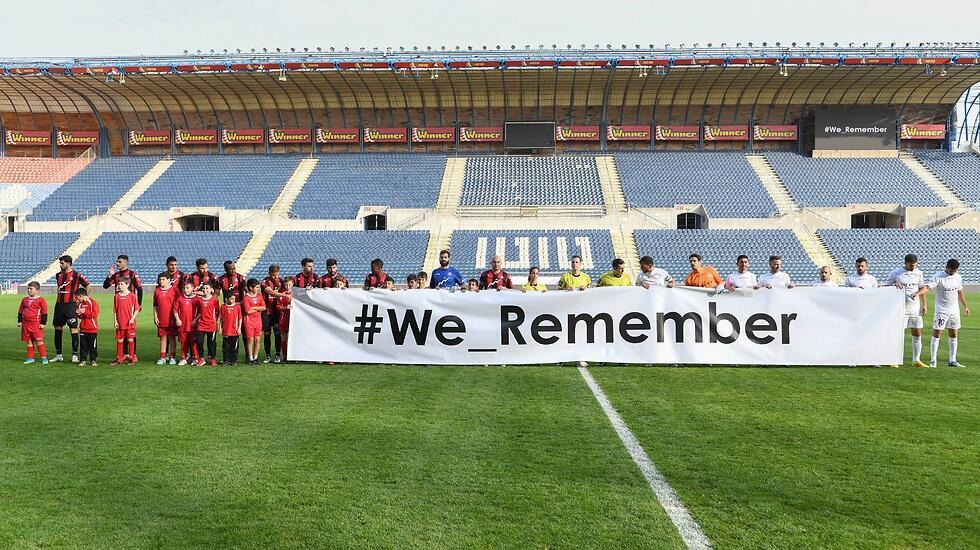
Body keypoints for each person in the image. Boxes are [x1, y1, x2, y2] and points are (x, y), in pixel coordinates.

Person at [926, 258, 972, 368]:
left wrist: (965, 306)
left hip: (954, 311)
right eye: (951, 270)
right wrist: (918, 293)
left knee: (954, 333)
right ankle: (933, 361)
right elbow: (928, 287)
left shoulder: (958, 277)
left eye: (954, 270)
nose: (952, 272)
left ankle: (952, 360)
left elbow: (959, 292)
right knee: (937, 333)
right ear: (947, 267)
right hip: (941, 311)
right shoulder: (938, 276)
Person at [885, 254, 929, 368]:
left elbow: (921, 288)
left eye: (914, 265)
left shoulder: (919, 273)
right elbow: (886, 287)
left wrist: (924, 305)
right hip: (901, 308)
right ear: (905, 263)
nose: (912, 267)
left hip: (915, 308)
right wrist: (895, 285)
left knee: (917, 332)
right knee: (898, 334)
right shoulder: (896, 273)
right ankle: (893, 359)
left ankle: (916, 360)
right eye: (910, 265)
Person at [104, 254, 143, 360]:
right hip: (119, 303)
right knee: (121, 328)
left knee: (130, 328)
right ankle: (123, 354)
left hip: (130, 305)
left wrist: (139, 304)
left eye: (119, 262)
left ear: (126, 262)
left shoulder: (132, 274)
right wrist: (109, 275)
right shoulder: (116, 275)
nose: (117, 263)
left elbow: (139, 289)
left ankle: (132, 354)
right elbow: (105, 286)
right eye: (117, 261)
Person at [53, 254, 89, 363]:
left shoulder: (77, 275)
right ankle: (59, 354)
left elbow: (88, 286)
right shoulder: (58, 275)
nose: (60, 265)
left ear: (68, 263)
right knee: (58, 329)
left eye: (62, 263)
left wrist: (83, 300)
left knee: (73, 329)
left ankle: (74, 355)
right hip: (59, 305)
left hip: (71, 305)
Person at [18, 281, 49, 365]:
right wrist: (20, 321)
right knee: (29, 341)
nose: (29, 290)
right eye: (28, 288)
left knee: (39, 341)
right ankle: (30, 358)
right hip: (25, 324)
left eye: (31, 289)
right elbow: (20, 311)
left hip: (36, 324)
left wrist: (43, 323)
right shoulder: (24, 300)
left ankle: (44, 357)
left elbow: (44, 312)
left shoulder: (41, 300)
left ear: (37, 290)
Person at [153, 272, 179, 365]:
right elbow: (155, 305)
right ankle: (163, 357)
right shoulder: (157, 291)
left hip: (171, 318)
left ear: (168, 280)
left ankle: (172, 357)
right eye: (160, 279)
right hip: (161, 318)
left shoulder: (174, 290)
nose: (161, 281)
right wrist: (155, 316)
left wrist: (177, 317)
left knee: (172, 338)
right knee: (162, 338)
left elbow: (178, 304)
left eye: (163, 279)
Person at [261, 265, 285, 364]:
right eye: (273, 275)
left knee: (277, 334)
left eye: (277, 275)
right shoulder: (264, 281)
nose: (275, 277)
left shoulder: (281, 281)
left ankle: (277, 355)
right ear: (269, 273)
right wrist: (283, 295)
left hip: (277, 312)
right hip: (266, 312)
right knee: (267, 334)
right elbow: (270, 292)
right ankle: (267, 356)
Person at [112, 277, 139, 365]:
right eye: (119, 284)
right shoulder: (116, 296)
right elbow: (115, 310)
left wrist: (132, 319)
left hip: (129, 323)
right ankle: (119, 357)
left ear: (127, 285)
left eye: (122, 284)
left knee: (130, 339)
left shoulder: (132, 296)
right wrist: (115, 321)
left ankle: (131, 357)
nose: (119, 286)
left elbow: (136, 309)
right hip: (120, 323)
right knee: (119, 340)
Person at [173, 280, 199, 365]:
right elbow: (175, 310)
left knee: (193, 342)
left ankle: (195, 358)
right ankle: (183, 358)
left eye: (188, 288)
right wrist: (177, 319)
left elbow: (200, 312)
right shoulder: (180, 298)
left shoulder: (196, 299)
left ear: (192, 288)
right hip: (182, 325)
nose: (185, 290)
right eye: (184, 288)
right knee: (183, 342)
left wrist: (195, 320)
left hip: (192, 325)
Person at [195, 282, 220, 367]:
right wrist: (196, 320)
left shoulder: (214, 300)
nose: (205, 290)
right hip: (201, 325)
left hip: (211, 325)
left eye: (207, 288)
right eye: (204, 288)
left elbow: (217, 311)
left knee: (212, 342)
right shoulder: (199, 300)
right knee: (199, 341)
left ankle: (213, 359)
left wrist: (215, 321)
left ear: (211, 290)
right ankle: (201, 358)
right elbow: (199, 312)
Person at [242, 279, 267, 364]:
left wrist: (253, 308)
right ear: (250, 287)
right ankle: (250, 358)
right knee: (250, 340)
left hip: (258, 322)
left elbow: (264, 307)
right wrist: (258, 308)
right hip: (249, 322)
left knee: (257, 340)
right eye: (256, 287)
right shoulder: (246, 298)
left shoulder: (259, 295)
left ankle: (255, 358)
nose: (258, 289)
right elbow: (248, 311)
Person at [75, 288, 99, 367]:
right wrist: (78, 313)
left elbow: (95, 314)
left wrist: (84, 312)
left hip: (92, 329)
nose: (77, 299)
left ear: (81, 296)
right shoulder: (80, 304)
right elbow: (81, 317)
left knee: (93, 346)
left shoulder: (92, 302)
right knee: (83, 346)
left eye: (77, 297)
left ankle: (93, 360)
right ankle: (83, 360)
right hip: (83, 329)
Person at [219, 293, 242, 366]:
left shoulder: (237, 307)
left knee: (234, 347)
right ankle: (226, 360)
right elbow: (221, 319)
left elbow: (240, 318)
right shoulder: (223, 307)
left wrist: (239, 328)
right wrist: (220, 328)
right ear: (226, 299)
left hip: (234, 331)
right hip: (226, 331)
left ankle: (234, 360)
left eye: (234, 299)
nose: (234, 300)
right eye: (232, 299)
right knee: (225, 347)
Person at [278, 277, 294, 361]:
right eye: (286, 285)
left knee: (293, 338)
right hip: (283, 320)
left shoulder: (296, 294)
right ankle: (285, 356)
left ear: (293, 284)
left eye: (289, 285)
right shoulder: (281, 295)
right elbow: (278, 307)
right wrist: (285, 307)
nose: (288, 286)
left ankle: (294, 356)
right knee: (284, 338)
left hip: (294, 320)